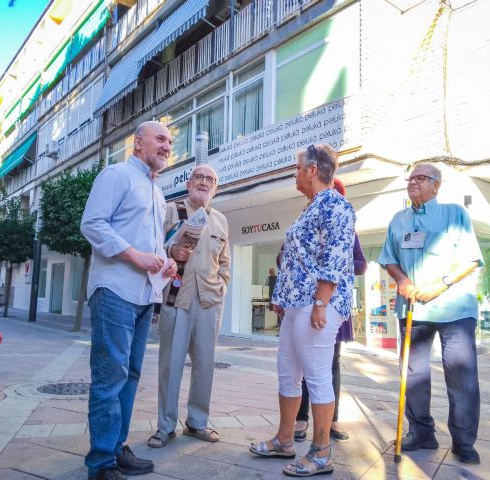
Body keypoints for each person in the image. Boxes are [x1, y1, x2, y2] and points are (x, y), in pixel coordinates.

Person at [249, 144, 355, 477]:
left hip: (316, 304)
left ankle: (322, 452)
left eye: (296, 168)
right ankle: (284, 440)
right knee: (287, 372)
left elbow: (335, 257)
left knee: (318, 376)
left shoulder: (337, 205)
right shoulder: (310, 208)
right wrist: (280, 296)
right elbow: (294, 260)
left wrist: (321, 302)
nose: (294, 174)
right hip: (295, 304)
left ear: (312, 170)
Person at [81, 120, 177, 480]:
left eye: (170, 141)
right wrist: (136, 256)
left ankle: (117, 448)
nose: (167, 146)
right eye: (161, 139)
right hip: (115, 291)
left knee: (131, 375)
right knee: (110, 377)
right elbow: (92, 225)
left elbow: (148, 244)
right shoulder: (116, 175)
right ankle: (101, 463)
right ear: (138, 143)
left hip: (143, 295)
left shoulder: (156, 190)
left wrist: (163, 258)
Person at [378, 163, 484, 465]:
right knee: (413, 375)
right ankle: (422, 432)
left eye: (420, 178)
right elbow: (389, 259)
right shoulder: (399, 219)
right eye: (410, 178)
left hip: (454, 308)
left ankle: (463, 441)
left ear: (436, 185)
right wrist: (402, 280)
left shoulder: (454, 214)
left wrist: (440, 285)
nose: (412, 182)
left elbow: (470, 260)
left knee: (461, 375)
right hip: (413, 309)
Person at [148, 164, 230, 448]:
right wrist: (171, 251)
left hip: (209, 301)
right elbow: (152, 247)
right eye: (199, 177)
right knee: (170, 364)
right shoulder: (171, 211)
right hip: (176, 298)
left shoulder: (220, 220)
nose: (204, 182)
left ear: (215, 188)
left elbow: (225, 263)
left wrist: (222, 286)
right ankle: (165, 426)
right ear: (189, 182)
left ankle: (197, 423)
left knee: (205, 365)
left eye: (210, 179)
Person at [294, 178, 366, 443]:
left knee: (330, 365)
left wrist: (335, 267)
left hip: (331, 305)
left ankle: (331, 422)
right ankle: (301, 418)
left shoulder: (346, 229)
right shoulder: (304, 226)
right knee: (303, 363)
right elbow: (285, 256)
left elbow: (361, 264)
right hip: (303, 301)